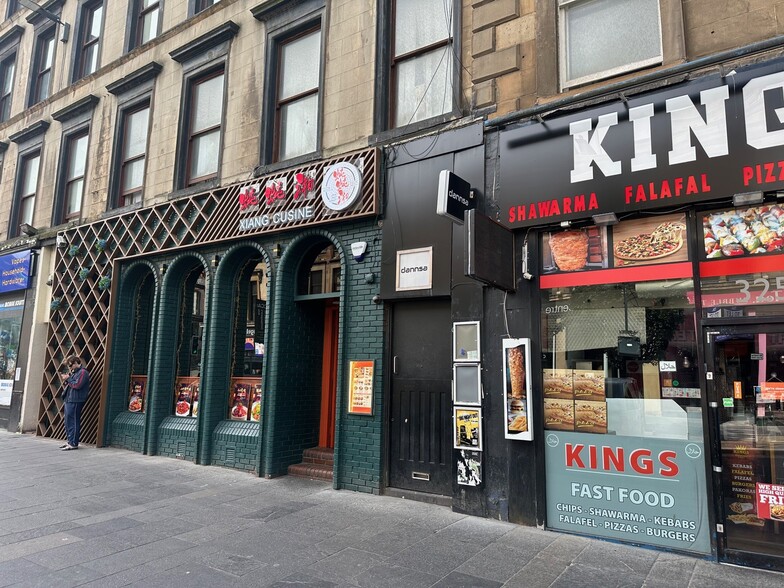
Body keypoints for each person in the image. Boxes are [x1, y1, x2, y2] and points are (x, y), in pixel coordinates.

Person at [59, 356, 90, 451]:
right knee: (68, 422)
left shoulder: (83, 372)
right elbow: (72, 384)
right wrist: (67, 379)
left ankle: (73, 443)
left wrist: (68, 379)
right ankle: (70, 441)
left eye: (71, 365)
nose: (70, 368)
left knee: (73, 421)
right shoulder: (75, 372)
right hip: (69, 399)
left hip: (76, 400)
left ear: (76, 362)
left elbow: (77, 385)